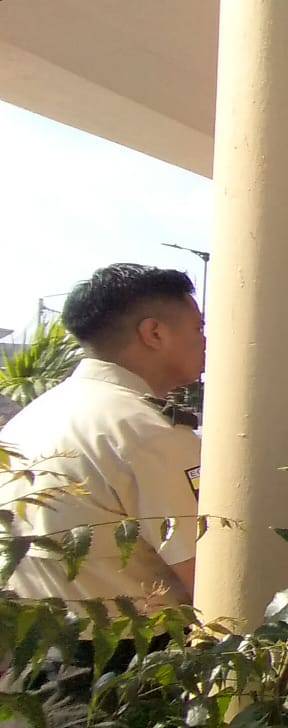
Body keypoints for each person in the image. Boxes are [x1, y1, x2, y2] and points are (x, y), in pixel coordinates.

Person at [0, 264, 204, 705]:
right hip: (125, 674)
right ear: (154, 333)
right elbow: (208, 575)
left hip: (35, 667)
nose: (206, 341)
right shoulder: (147, 433)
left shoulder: (34, 417)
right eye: (198, 327)